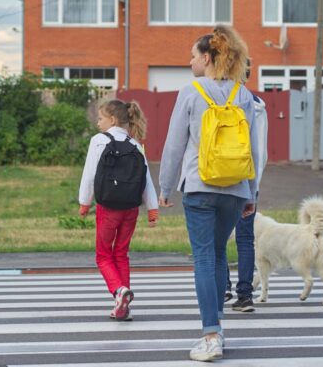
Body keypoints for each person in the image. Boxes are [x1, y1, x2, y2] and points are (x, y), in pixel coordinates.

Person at [158, 26, 260, 362]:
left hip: (200, 186)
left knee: (203, 257)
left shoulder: (190, 92)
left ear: (207, 57)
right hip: (234, 189)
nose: (189, 63)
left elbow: (174, 144)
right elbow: (253, 150)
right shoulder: (243, 95)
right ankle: (218, 328)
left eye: (192, 56)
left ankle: (211, 334)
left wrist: (164, 186)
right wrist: (251, 193)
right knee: (217, 254)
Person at [78, 99, 159, 322]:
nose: (98, 123)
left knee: (103, 255)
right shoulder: (135, 145)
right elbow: (147, 180)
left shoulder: (99, 141)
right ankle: (123, 306)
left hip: (108, 208)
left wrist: (85, 202)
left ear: (112, 120)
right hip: (131, 209)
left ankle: (119, 292)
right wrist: (152, 209)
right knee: (121, 254)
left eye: (101, 118)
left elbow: (90, 174)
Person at [223, 58, 268, 313]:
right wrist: (255, 186)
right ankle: (245, 294)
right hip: (249, 180)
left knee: (218, 238)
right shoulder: (259, 105)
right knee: (245, 239)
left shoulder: (221, 101)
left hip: (222, 179)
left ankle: (223, 287)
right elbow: (260, 152)